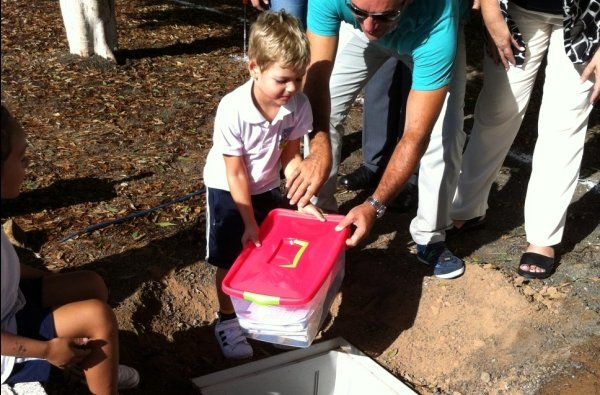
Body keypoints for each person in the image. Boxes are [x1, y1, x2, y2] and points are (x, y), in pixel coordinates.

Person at [288, 0, 469, 279]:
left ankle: (430, 237)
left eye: (384, 15)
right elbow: (316, 78)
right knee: (325, 108)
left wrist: (374, 205)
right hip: (361, 36)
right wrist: (320, 144)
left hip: (422, 35)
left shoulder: (437, 24)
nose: (372, 26)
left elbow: (414, 135)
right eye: (360, 12)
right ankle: (320, 214)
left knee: (444, 133)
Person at [202, 11, 324, 359]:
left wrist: (302, 197)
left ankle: (263, 315)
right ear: (254, 67)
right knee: (231, 257)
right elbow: (235, 171)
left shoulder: (298, 105)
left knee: (268, 251)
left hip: (268, 185)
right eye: (282, 79)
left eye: (299, 79)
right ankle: (226, 320)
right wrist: (249, 221)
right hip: (228, 189)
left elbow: (289, 156)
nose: (292, 88)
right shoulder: (233, 109)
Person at [449, 0, 599, 279]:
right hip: (516, 9)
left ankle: (543, 235)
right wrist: (491, 11)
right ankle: (466, 207)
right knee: (496, 110)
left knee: (564, 125)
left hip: (588, 21)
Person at [0, 104, 139, 394]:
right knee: (97, 317)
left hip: (11, 305)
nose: (28, 167)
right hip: (7, 342)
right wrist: (46, 350)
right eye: (22, 159)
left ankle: (87, 368)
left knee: (89, 284)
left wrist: (37, 275)